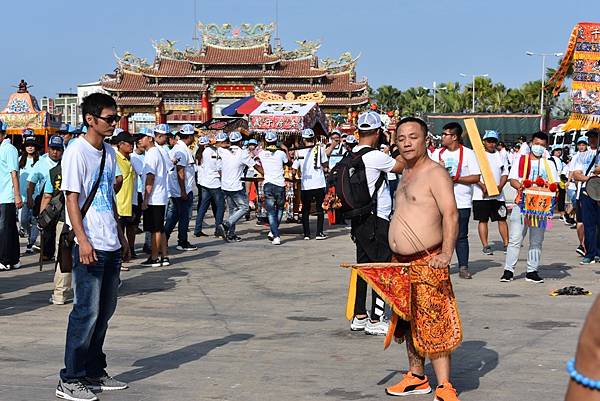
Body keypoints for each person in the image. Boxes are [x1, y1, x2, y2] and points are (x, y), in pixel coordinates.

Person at [57, 93, 129, 401]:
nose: (114, 123)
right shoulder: (76, 151)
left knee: (105, 311)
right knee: (86, 311)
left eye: (116, 118)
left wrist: (121, 235)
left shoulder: (109, 152)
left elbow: (109, 193)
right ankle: (70, 378)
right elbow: (71, 198)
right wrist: (82, 240)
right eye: (109, 118)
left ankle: (93, 370)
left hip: (110, 240)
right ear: (91, 119)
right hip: (89, 243)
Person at [385, 116, 462, 401]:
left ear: (425, 139)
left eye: (412, 136)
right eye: (401, 137)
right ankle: (417, 376)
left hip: (429, 259)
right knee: (407, 322)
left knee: (435, 320)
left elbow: (450, 213)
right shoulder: (404, 172)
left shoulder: (435, 173)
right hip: (400, 262)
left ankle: (444, 385)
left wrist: (446, 253)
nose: (406, 142)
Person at [349, 111, 404, 335]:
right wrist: (393, 144)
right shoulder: (375, 156)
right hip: (377, 219)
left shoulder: (350, 154)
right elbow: (400, 166)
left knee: (363, 268)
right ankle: (375, 318)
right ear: (377, 132)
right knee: (382, 268)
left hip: (359, 219)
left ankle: (359, 316)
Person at [501, 131, 558, 283]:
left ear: (546, 147)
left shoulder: (549, 163)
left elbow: (555, 184)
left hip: (540, 208)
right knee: (515, 239)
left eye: (542, 145)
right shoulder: (521, 160)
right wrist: (522, 187)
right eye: (536, 144)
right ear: (531, 143)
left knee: (537, 240)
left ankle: (532, 271)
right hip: (521, 205)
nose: (538, 147)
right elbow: (513, 180)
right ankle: (508, 270)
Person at [431, 122, 481, 279]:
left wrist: (456, 178)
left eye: (445, 134)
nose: (442, 137)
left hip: (461, 202)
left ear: (454, 137)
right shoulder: (437, 154)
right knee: (438, 236)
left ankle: (463, 267)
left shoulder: (468, 154)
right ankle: (439, 266)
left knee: (460, 235)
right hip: (439, 203)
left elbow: (475, 177)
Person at [39, 136, 71, 304]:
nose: (55, 152)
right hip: (84, 217)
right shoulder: (81, 169)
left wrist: (42, 218)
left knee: (63, 255)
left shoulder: (54, 172)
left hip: (62, 219)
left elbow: (47, 196)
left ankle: (60, 294)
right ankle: (85, 292)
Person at [218, 131, 263, 242]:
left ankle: (231, 234)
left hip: (225, 185)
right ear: (240, 141)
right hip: (236, 186)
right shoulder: (242, 153)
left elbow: (217, 145)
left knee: (233, 210)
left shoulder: (222, 151)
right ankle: (226, 225)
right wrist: (266, 173)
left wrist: (227, 145)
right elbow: (254, 165)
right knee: (244, 207)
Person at [472, 130, 509, 255]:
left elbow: (505, 173)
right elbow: (474, 174)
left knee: (502, 218)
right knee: (483, 220)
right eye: (489, 141)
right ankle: (486, 245)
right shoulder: (477, 155)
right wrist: (482, 186)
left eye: (494, 141)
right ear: (484, 142)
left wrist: (500, 186)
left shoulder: (501, 155)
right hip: (481, 195)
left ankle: (506, 243)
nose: (492, 144)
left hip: (498, 195)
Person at [139, 127, 170, 267]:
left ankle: (154, 257)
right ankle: (164, 256)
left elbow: (150, 178)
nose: (139, 140)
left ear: (150, 138)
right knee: (160, 229)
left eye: (142, 137)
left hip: (154, 197)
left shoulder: (152, 154)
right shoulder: (156, 152)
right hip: (160, 195)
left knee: (154, 229)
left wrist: (145, 199)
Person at [164, 124, 197, 251]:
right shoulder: (181, 151)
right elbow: (180, 171)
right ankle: (182, 241)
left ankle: (164, 237)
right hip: (181, 189)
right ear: (189, 136)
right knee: (184, 216)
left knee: (174, 215)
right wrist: (183, 191)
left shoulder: (179, 148)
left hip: (178, 188)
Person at [292, 128, 329, 240]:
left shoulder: (299, 151)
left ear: (304, 139)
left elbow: (294, 169)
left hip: (306, 185)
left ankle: (307, 234)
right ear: (313, 138)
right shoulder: (320, 149)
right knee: (319, 209)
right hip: (319, 183)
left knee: (306, 210)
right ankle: (319, 233)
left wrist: (294, 177)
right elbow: (325, 164)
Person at [257, 130, 291, 245]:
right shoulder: (281, 153)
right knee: (280, 209)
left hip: (268, 184)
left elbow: (254, 160)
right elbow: (288, 163)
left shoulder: (261, 153)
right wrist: (285, 149)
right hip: (279, 184)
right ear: (276, 141)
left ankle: (274, 233)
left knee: (271, 212)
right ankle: (275, 233)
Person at [573, 129, 600, 265]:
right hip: (586, 192)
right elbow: (576, 174)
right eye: (590, 137)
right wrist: (590, 179)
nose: (592, 140)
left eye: (595, 137)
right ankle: (589, 253)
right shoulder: (581, 155)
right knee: (589, 224)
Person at [113, 131, 139, 267]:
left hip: (130, 201)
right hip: (119, 202)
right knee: (119, 232)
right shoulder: (115, 158)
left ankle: (130, 250)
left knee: (131, 227)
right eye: (129, 143)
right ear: (120, 144)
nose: (132, 146)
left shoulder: (130, 158)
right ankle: (120, 259)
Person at [0, 121, 23, 270]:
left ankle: (4, 260)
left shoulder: (9, 149)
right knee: (10, 228)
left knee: (4, 229)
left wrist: (17, 196)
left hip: (7, 195)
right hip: (1, 195)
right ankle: (14, 259)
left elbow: (14, 173)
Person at [194, 133, 226, 238]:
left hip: (204, 183)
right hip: (214, 183)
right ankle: (218, 229)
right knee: (220, 207)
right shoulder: (212, 152)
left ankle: (197, 229)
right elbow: (218, 167)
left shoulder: (200, 153)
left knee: (203, 207)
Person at [19, 134, 41, 253]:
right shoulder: (19, 160)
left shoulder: (40, 160)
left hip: (36, 195)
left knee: (34, 220)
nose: (30, 147)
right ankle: (29, 237)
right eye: (28, 145)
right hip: (23, 196)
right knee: (23, 220)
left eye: (32, 145)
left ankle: (30, 243)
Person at [550, 145, 567, 222]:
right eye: (557, 150)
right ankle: (549, 213)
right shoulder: (550, 160)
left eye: (560, 150)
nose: (558, 152)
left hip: (561, 181)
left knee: (561, 197)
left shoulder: (562, 160)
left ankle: (561, 214)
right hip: (552, 181)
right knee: (552, 197)